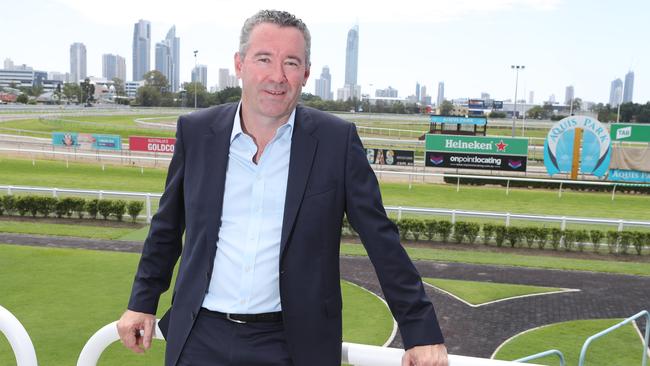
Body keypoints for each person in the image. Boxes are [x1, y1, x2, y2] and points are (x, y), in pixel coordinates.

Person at [117, 9, 448, 366]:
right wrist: (142, 301)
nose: (277, 76)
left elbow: (381, 241)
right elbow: (167, 228)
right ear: (239, 63)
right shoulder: (197, 133)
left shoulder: (336, 142)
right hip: (199, 338)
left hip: (291, 346)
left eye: (291, 63)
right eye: (264, 59)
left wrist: (422, 331)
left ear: (306, 73)